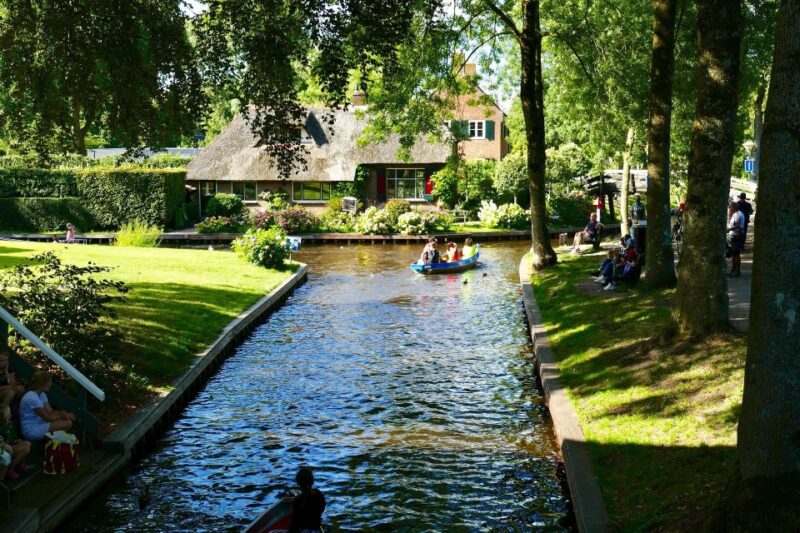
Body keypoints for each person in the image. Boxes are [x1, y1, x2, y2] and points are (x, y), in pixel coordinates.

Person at [20, 371, 75, 441]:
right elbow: (47, 418)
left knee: (67, 421)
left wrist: (63, 413)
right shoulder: (31, 397)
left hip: (39, 424)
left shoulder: (42, 394)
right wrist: (63, 415)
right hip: (31, 430)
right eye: (49, 382)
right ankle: (52, 445)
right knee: (67, 423)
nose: (51, 384)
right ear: (43, 383)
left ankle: (52, 445)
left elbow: (51, 412)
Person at [289, 467, 326, 533]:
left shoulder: (298, 500)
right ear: (312, 481)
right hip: (316, 530)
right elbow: (322, 508)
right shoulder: (318, 494)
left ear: (298, 483)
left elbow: (294, 524)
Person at [0, 405, 30, 481]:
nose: (10, 415)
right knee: (25, 449)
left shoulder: (11, 424)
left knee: (27, 443)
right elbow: (4, 442)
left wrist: (17, 441)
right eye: (8, 414)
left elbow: (13, 437)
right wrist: (12, 443)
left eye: (10, 413)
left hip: (12, 445)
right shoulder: (1, 427)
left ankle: (19, 464)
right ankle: (10, 469)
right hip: (6, 449)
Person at [727, 202, 745, 277]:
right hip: (737, 235)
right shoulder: (739, 213)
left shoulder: (736, 215)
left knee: (736, 254)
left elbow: (738, 226)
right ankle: (734, 270)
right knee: (735, 254)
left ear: (734, 208)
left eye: (730, 207)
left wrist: (728, 229)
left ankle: (736, 271)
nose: (729, 209)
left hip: (736, 235)